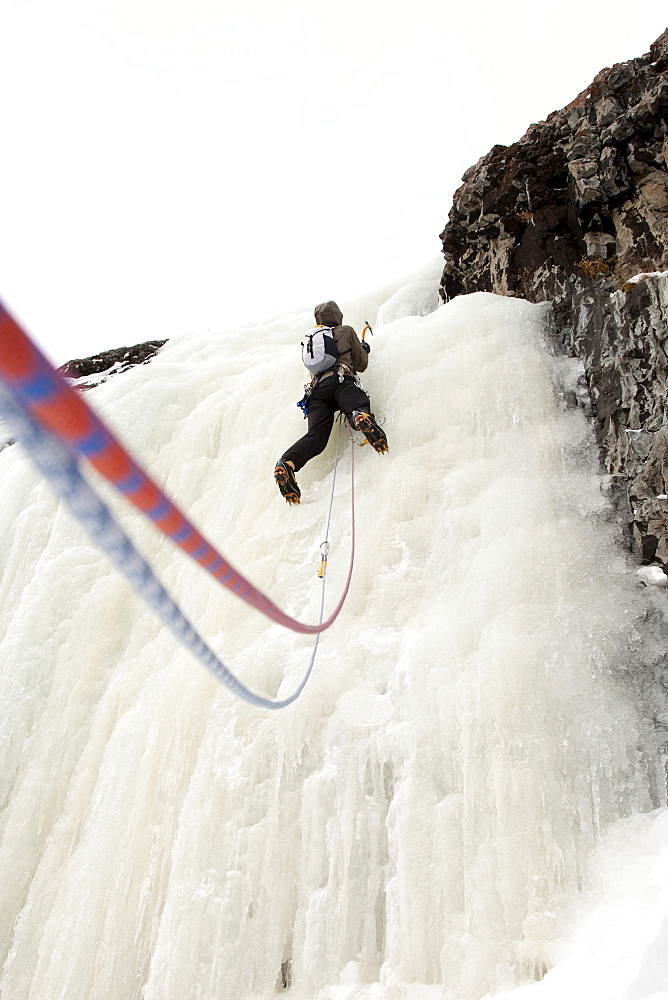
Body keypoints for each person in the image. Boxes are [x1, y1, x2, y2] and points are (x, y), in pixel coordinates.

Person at [274, 301, 388, 504]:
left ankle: (287, 463)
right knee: (355, 403)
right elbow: (361, 365)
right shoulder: (345, 331)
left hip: (317, 392)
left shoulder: (313, 342)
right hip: (341, 381)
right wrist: (363, 349)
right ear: (338, 316)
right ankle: (359, 416)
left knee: (316, 437)